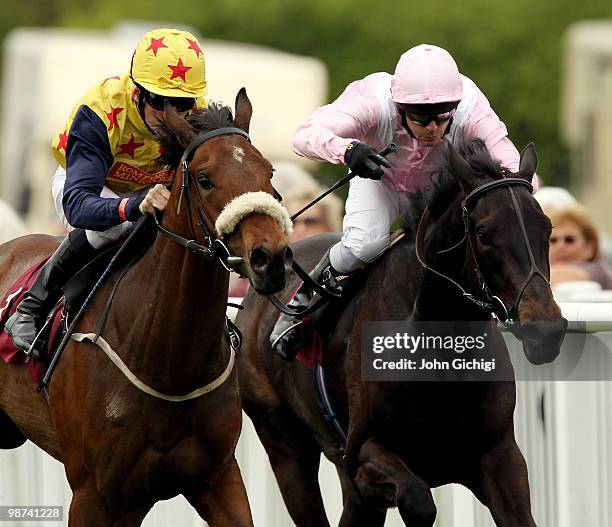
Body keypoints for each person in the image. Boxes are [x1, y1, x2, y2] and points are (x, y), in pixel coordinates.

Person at [271, 43, 539, 360]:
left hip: (435, 190)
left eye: (442, 118)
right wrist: (347, 150)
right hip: (379, 181)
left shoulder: (472, 108)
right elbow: (302, 135)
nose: (432, 128)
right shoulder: (373, 102)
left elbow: (517, 170)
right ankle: (298, 306)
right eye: (421, 118)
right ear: (399, 108)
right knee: (363, 246)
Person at [5, 28, 207, 359]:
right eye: (158, 101)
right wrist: (133, 205)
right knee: (115, 227)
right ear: (138, 92)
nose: (171, 116)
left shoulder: (198, 118)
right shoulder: (100, 110)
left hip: (149, 193)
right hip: (87, 187)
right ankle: (31, 307)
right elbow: (78, 206)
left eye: (181, 104)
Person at [547, 204, 612, 289]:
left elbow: (557, 277)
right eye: (553, 240)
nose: (560, 246)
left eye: (569, 240)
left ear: (589, 247)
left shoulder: (598, 270)